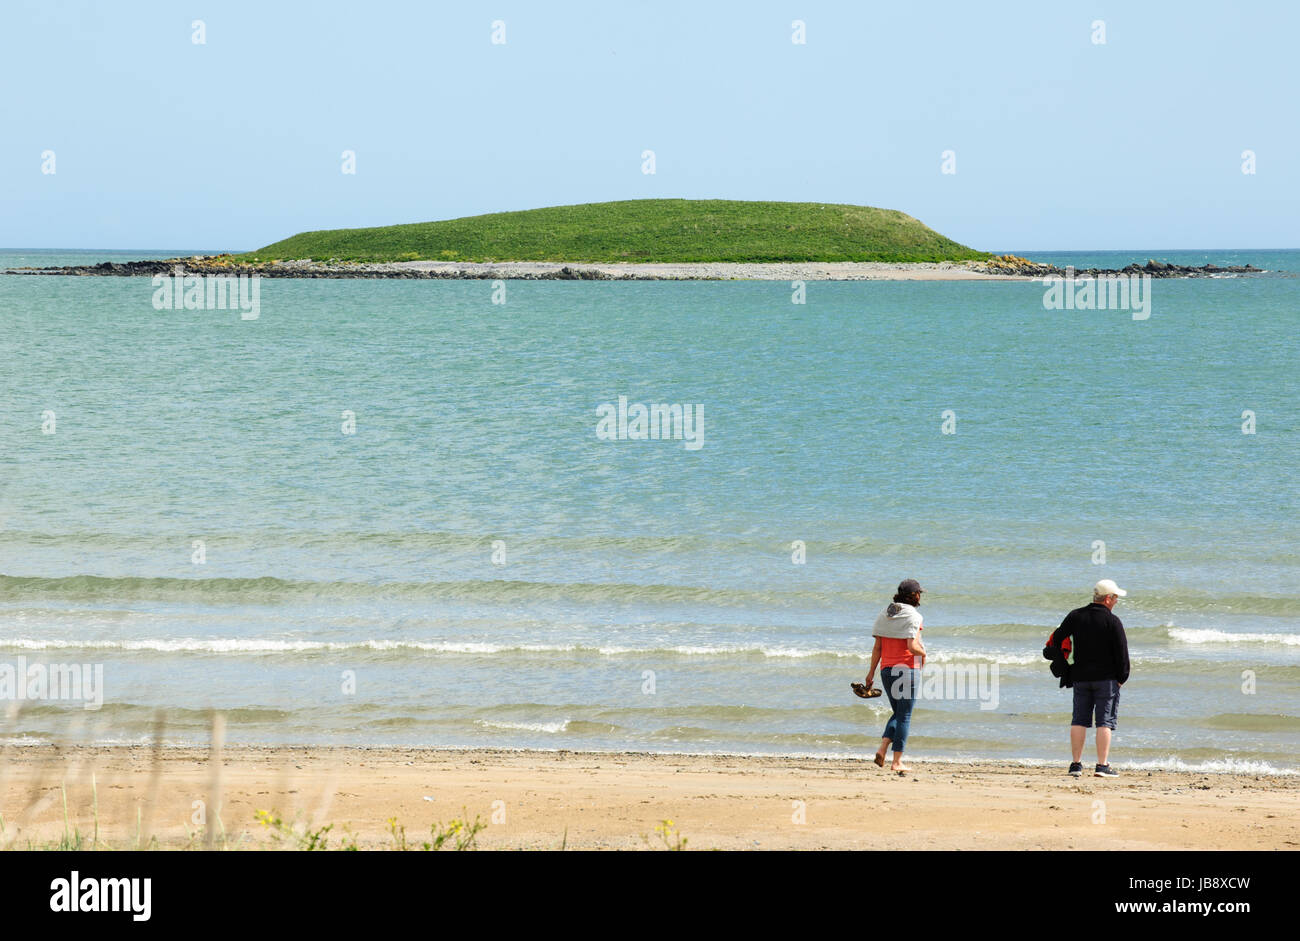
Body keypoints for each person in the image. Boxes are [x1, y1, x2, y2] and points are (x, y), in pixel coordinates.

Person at [1050, 579, 1131, 778]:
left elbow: (1057, 638)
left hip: (1080, 677)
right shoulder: (1113, 621)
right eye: (1116, 598)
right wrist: (1122, 678)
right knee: (1105, 722)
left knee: (1079, 720)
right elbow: (1122, 654)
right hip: (1107, 679)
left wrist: (1065, 663)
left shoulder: (1076, 616)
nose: (1117, 601)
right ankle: (1102, 766)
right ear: (1108, 599)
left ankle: (1076, 765)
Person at [862, 579, 927, 773]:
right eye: (919, 593)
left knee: (898, 713)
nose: (920, 597)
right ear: (915, 595)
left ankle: (882, 749)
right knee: (904, 715)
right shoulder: (914, 616)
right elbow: (911, 647)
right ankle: (897, 761)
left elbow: (877, 648)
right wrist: (924, 654)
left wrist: (871, 673)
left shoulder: (885, 613)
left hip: (887, 670)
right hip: (907, 670)